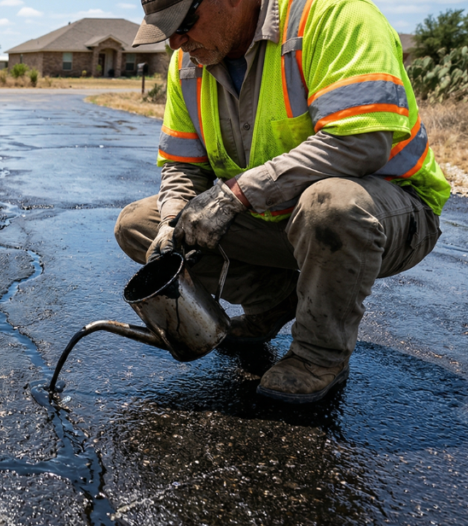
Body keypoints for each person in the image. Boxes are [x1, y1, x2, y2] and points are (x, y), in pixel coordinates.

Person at [118, 0, 451, 403]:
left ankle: (318, 356)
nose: (174, 42)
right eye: (164, 30)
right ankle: (275, 301)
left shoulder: (336, 18)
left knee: (330, 203)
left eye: (185, 23)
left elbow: (360, 143)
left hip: (387, 212)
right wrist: (173, 222)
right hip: (278, 216)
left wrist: (235, 195)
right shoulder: (187, 65)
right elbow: (182, 166)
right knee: (141, 224)